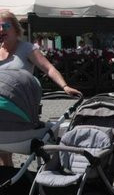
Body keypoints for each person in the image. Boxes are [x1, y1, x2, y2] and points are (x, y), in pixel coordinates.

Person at [0, 10, 81, 165]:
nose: (1, 29)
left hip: (20, 106)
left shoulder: (27, 48)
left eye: (6, 25)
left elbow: (48, 68)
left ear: (15, 28)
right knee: (3, 153)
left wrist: (64, 86)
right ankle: (8, 181)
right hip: (1, 107)